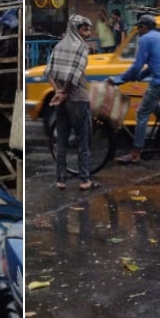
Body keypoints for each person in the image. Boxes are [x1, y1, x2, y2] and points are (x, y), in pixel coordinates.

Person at [106, 14, 160, 165]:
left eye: (138, 27)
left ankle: (136, 153)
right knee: (153, 100)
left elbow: (137, 64)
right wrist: (140, 76)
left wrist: (117, 80)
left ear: (144, 27)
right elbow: (156, 61)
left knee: (142, 113)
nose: (137, 30)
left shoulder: (145, 39)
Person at [45, 15, 97, 190]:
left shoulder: (59, 46)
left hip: (61, 102)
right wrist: (64, 92)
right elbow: (73, 76)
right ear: (76, 29)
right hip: (78, 99)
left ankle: (61, 179)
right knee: (83, 141)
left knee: (61, 141)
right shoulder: (82, 47)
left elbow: (49, 72)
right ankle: (84, 179)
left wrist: (58, 92)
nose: (88, 33)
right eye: (85, 29)